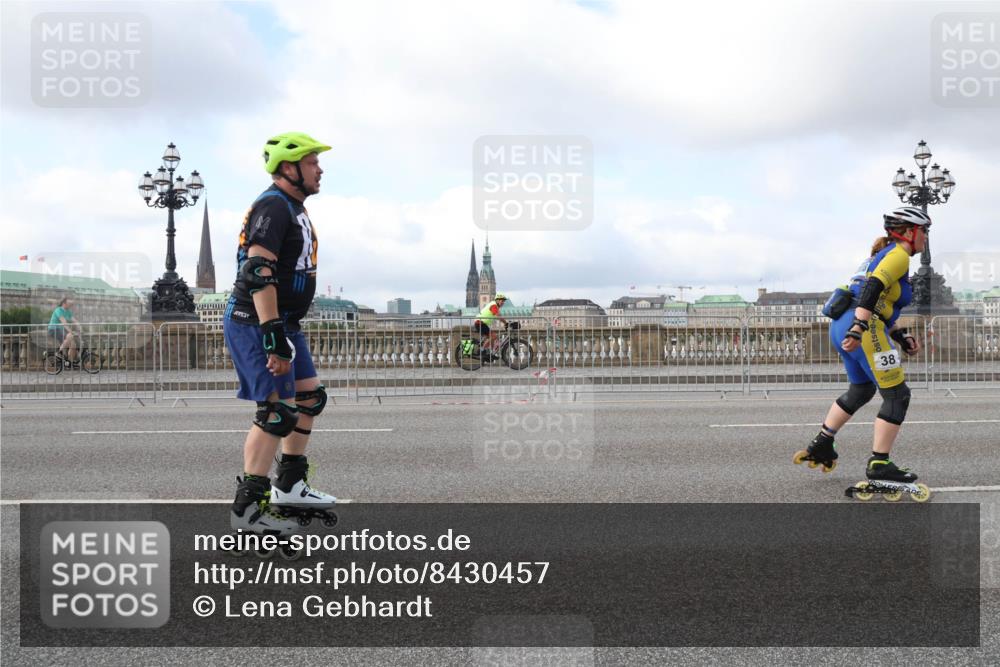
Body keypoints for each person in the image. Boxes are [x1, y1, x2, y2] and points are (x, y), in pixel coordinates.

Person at [223, 131, 337, 536]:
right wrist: (271, 332)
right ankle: (248, 511)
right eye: (312, 162)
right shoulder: (273, 206)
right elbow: (257, 269)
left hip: (285, 321)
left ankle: (289, 485)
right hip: (257, 322)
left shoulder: (293, 207)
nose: (320, 169)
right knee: (277, 411)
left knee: (309, 397)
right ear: (288, 168)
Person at [796, 206, 930, 486]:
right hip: (862, 329)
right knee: (897, 395)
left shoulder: (878, 257)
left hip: (842, 324)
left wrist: (900, 335)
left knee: (862, 388)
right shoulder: (898, 256)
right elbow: (871, 291)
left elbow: (878, 302)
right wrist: (859, 328)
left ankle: (822, 442)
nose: (926, 238)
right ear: (908, 232)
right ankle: (880, 464)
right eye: (924, 231)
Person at [474, 293, 509, 358]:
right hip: (480, 323)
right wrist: (506, 323)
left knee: (492, 337)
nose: (503, 302)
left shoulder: (494, 305)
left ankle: (491, 353)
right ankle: (482, 350)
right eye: (502, 301)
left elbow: (498, 315)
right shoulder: (494, 305)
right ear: (497, 300)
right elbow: (498, 316)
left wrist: (505, 323)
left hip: (482, 323)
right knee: (494, 336)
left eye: (504, 301)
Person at [48, 296, 80, 366]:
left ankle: (69, 362)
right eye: (69, 303)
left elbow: (73, 320)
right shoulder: (58, 310)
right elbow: (64, 322)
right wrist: (71, 331)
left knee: (73, 345)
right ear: (64, 303)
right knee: (70, 336)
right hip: (53, 329)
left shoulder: (68, 311)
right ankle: (58, 352)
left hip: (60, 329)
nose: (70, 305)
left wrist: (79, 326)